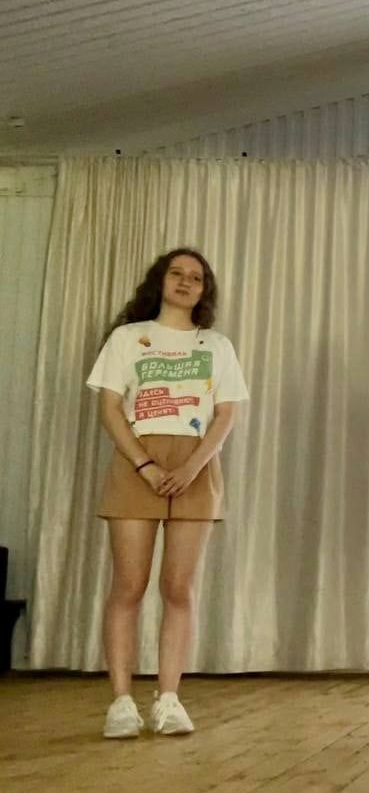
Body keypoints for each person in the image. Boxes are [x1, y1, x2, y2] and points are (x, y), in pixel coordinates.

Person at [86, 248, 249, 738]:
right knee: (128, 585)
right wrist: (145, 464)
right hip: (137, 463)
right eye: (176, 273)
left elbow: (226, 414)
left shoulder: (216, 344)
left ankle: (170, 698)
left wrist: (193, 467)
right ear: (160, 281)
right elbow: (111, 408)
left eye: (195, 277)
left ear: (204, 290)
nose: (185, 281)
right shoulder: (127, 338)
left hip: (196, 467)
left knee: (179, 588)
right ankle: (121, 702)